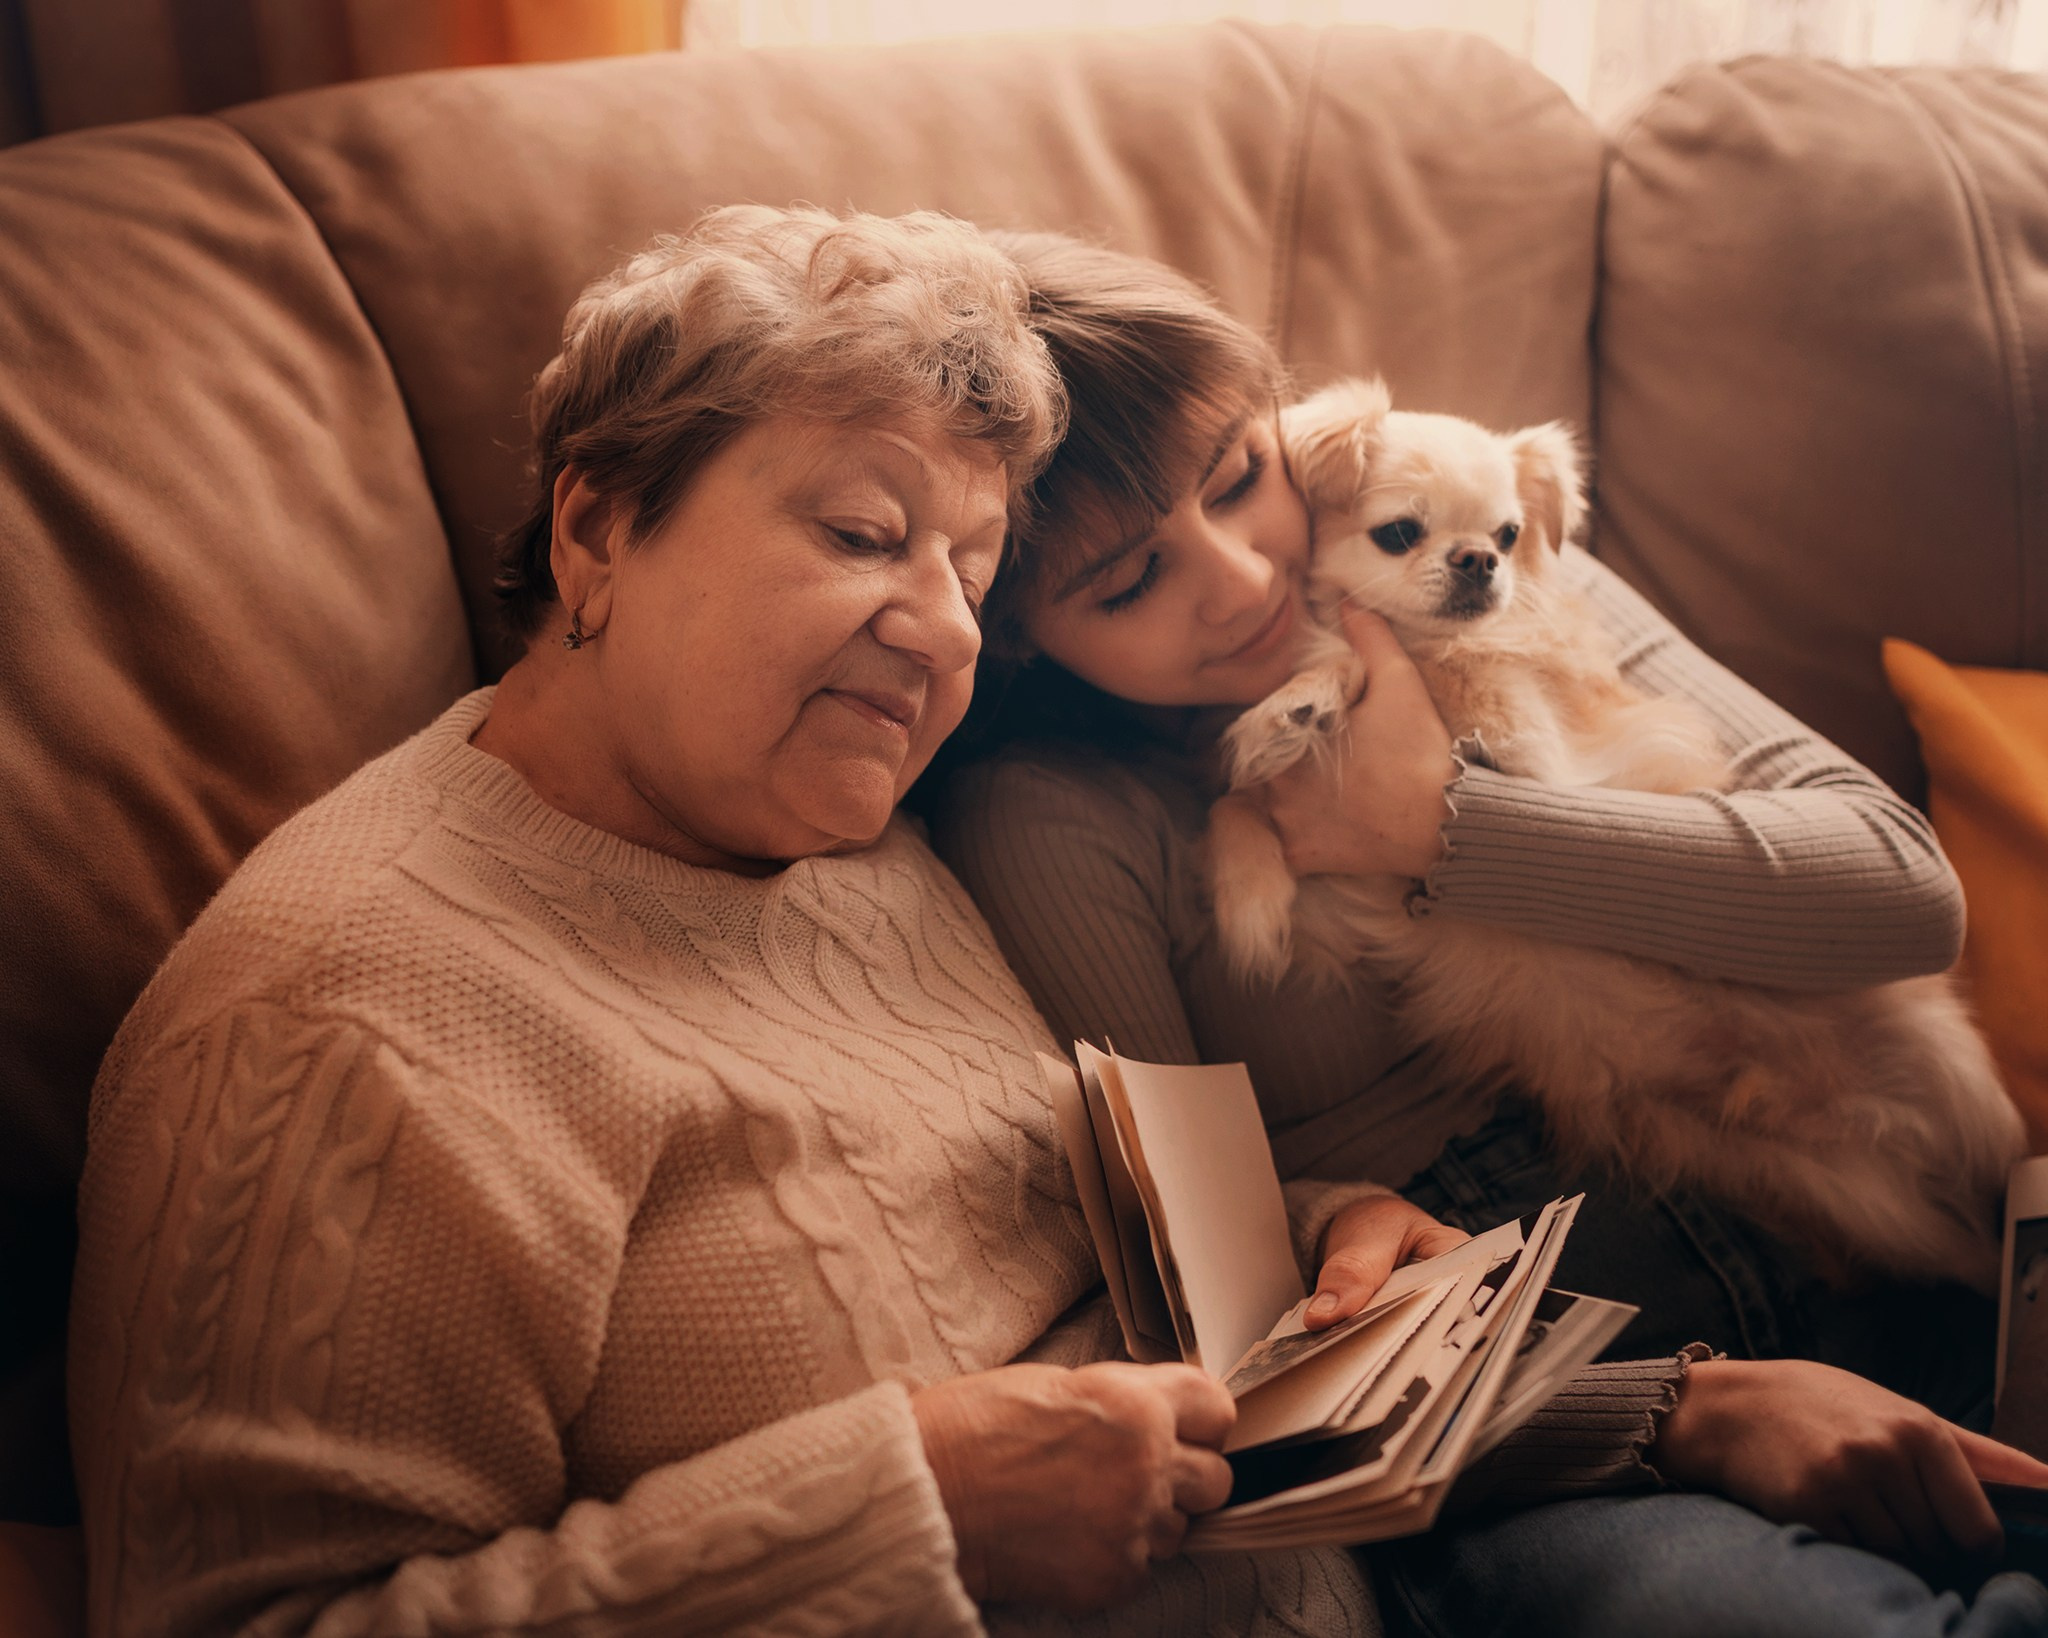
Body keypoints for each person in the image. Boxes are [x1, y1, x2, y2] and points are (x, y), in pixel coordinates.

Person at [68, 203, 1739, 1638]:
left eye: (976, 564)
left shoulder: (862, 837)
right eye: (866, 534)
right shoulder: (336, 1030)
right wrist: (896, 1505)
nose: (940, 630)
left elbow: (1129, 1336)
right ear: (594, 528)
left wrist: (1651, 1405)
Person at [925, 229, 2048, 1634]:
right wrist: (1680, 1411)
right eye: (1128, 582)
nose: (1244, 579)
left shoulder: (1488, 554)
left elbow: (1898, 887)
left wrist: (1443, 830)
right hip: (1559, 1426)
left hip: (1903, 1240)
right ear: (1024, 633)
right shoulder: (1060, 820)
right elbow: (1217, 1325)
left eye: (1239, 479)